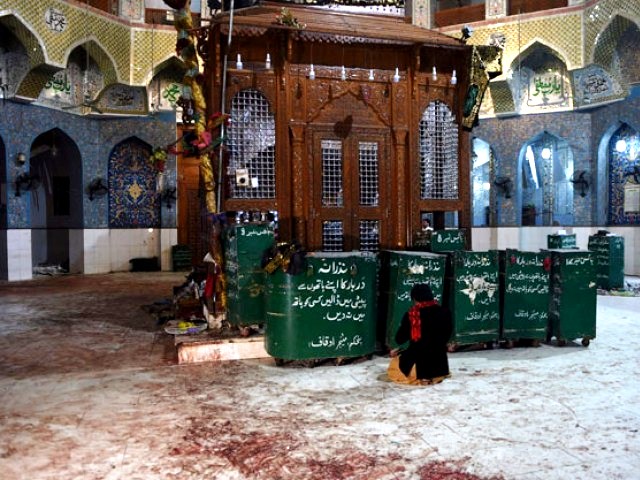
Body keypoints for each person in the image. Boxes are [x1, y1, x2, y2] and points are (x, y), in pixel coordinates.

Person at [387, 283, 453, 385]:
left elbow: (399, 339)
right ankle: (434, 377)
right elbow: (446, 335)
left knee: (394, 365)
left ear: (415, 299)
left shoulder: (412, 315)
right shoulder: (445, 311)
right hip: (440, 366)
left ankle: (423, 377)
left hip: (420, 367)